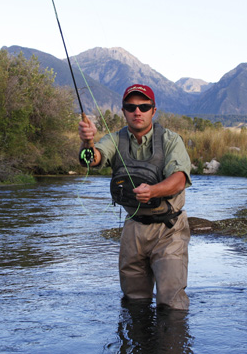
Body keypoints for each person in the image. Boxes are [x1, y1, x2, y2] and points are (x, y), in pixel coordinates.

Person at [78, 84, 192, 310]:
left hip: (169, 228)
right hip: (133, 229)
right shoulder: (114, 139)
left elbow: (179, 179)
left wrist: (153, 191)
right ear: (123, 111)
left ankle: (171, 343)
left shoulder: (170, 140)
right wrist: (87, 142)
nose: (137, 111)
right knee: (134, 301)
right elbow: (89, 160)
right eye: (131, 107)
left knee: (171, 304)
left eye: (143, 106)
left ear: (153, 110)